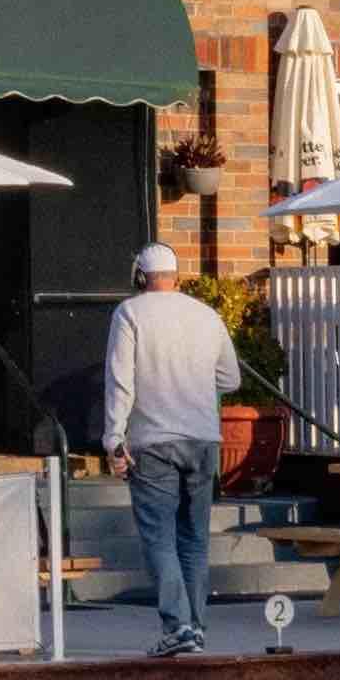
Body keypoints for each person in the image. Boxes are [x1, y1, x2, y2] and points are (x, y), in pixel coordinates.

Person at [102, 243, 240, 658]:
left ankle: (177, 625)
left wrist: (113, 438)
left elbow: (120, 381)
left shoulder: (129, 313)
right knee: (194, 539)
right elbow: (230, 378)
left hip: (153, 441)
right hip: (202, 439)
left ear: (140, 276)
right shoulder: (206, 315)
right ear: (177, 276)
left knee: (159, 538)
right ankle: (195, 627)